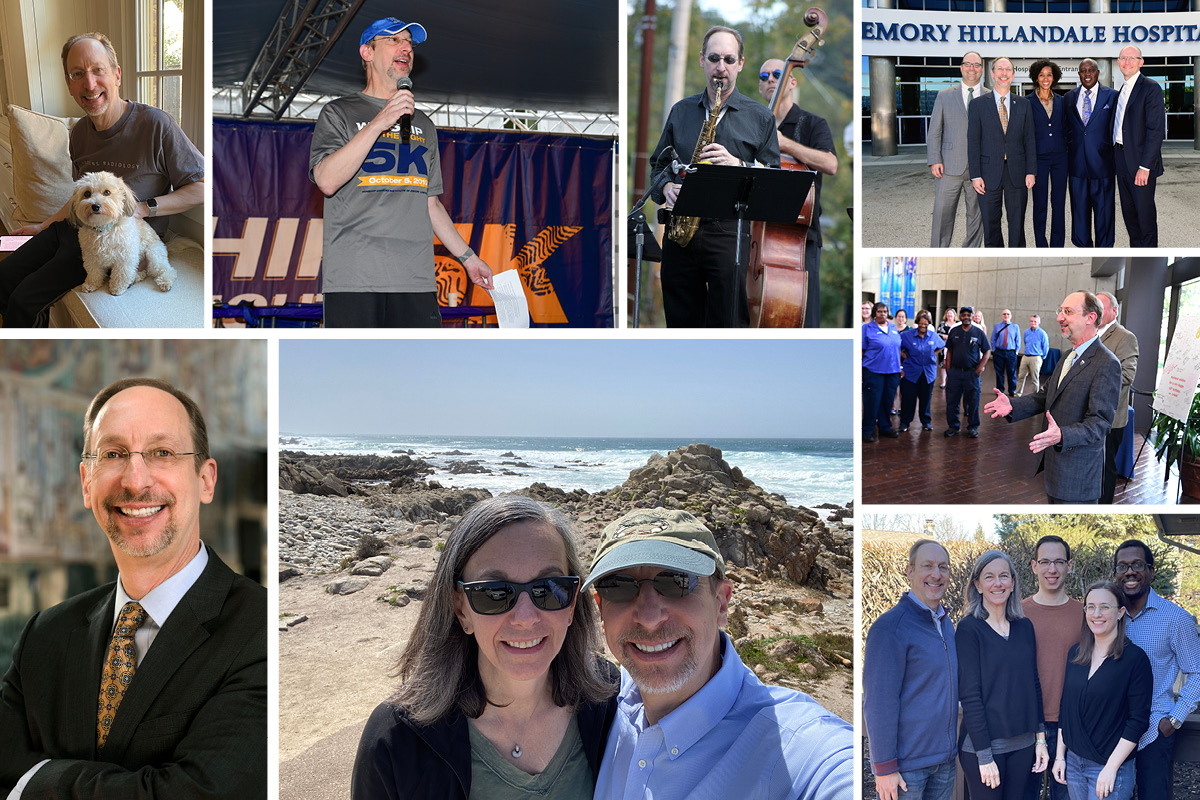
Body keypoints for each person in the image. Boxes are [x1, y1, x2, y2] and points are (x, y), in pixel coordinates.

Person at [0, 378, 266, 797]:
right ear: (87, 482)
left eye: (162, 453)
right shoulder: (43, 635)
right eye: (114, 454)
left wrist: (35, 781)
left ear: (205, 479)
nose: (136, 480)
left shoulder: (259, 630)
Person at [351, 496, 617, 798]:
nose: (526, 618)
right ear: (461, 608)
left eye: (550, 589)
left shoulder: (609, 702)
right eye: (494, 593)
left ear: (571, 605)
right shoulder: (397, 741)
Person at [586, 508, 852, 799]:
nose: (649, 617)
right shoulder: (599, 706)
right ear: (601, 609)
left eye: (677, 581)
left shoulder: (799, 750)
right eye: (619, 587)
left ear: (722, 604)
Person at [0, 32, 204, 328]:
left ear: (116, 75)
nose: (90, 83)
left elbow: (202, 189)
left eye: (98, 70)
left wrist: (144, 209)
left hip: (118, 240)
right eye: (77, 74)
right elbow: (78, 199)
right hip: (74, 229)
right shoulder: (80, 133)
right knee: (4, 278)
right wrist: (44, 225)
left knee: (24, 301)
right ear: (70, 85)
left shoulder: (156, 124)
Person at [309, 17, 494, 328]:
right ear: (367, 53)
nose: (406, 47)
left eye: (409, 43)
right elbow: (327, 181)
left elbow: (431, 204)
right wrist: (380, 121)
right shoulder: (338, 112)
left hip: (416, 279)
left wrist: (469, 260)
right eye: (393, 40)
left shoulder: (424, 124)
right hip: (356, 279)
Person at [648, 26, 780, 328]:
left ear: (741, 64)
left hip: (729, 234)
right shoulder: (681, 111)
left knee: (728, 322)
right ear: (702, 60)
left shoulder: (760, 117)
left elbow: (774, 178)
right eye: (714, 58)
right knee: (680, 323)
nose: (721, 67)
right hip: (679, 233)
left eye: (729, 60)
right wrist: (667, 186)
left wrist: (739, 165)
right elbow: (658, 165)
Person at [984, 291, 1120, 503]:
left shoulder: (1107, 363)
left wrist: (1062, 435)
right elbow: (1045, 396)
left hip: (1078, 477)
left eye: (1068, 312)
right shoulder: (1068, 356)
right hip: (1056, 471)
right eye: (1060, 311)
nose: (1059, 318)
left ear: (1090, 318)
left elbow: (1100, 423)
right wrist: (1012, 404)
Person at [864, 540, 958, 800]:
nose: (936, 575)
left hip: (945, 763)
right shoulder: (889, 628)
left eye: (943, 567)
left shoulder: (946, 624)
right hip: (907, 770)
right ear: (909, 571)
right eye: (927, 566)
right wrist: (884, 769)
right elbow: (878, 702)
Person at [1112, 539, 1200, 800]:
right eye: (1122, 566)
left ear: (1151, 570)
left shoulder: (1176, 619)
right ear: (1115, 574)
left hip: (1154, 732)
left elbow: (1196, 672)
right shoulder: (1108, 617)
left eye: (1137, 564)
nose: (1129, 572)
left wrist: (1174, 719)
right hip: (1112, 731)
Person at [956, 550, 1047, 800]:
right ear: (978, 584)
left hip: (1024, 745)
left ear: (1013, 582)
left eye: (1004, 576)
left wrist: (1041, 740)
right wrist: (985, 757)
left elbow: (1033, 685)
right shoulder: (968, 630)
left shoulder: (1024, 627)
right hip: (983, 750)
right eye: (989, 577)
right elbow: (970, 696)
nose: (998, 583)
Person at [1052, 581, 1151, 800]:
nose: (1097, 613)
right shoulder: (1075, 654)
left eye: (1105, 607)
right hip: (1074, 763)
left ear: (1120, 612)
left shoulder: (1135, 660)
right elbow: (1066, 707)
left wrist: (1111, 768)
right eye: (1091, 606)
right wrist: (1060, 756)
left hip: (1109, 766)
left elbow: (1138, 721)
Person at [757, 58, 837, 328]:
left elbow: (830, 164)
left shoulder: (813, 123)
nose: (770, 79)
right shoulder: (753, 125)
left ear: (792, 81)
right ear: (759, 86)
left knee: (803, 318)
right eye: (764, 75)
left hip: (799, 240)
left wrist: (786, 145)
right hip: (757, 238)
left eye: (778, 74)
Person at [1022, 535, 1083, 800]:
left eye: (1059, 562)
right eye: (1045, 562)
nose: (1052, 569)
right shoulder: (1017, 613)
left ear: (1070, 565)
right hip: (1025, 723)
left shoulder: (1086, 614)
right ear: (1034, 566)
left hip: (1071, 724)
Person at [968, 57, 1036, 248]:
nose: (1004, 73)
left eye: (1008, 70)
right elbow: (973, 142)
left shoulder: (1023, 104)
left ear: (1013, 75)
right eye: (1000, 69)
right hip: (988, 174)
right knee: (991, 225)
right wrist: (975, 175)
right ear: (992, 73)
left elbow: (1029, 140)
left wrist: (1031, 171)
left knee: (1017, 225)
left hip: (1018, 173)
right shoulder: (978, 105)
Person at [928, 52, 989, 248]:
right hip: (948, 165)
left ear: (982, 69)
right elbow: (934, 131)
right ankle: (938, 252)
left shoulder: (990, 96)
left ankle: (971, 251)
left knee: (976, 217)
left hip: (980, 168)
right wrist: (934, 159)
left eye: (976, 65)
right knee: (942, 215)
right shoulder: (944, 95)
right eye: (968, 64)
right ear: (961, 68)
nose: (972, 68)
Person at [1112, 46, 1164, 248]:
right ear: (1118, 62)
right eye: (1123, 58)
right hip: (1121, 160)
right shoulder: (1122, 90)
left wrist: (1145, 167)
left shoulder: (1150, 88)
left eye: (1132, 58)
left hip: (1140, 164)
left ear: (1141, 62)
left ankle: (1148, 254)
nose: (1127, 62)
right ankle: (1136, 251)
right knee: (1130, 216)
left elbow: (1155, 131)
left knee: (1144, 217)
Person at [1064, 58, 1118, 247]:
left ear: (1097, 73)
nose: (1087, 74)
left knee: (1104, 215)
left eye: (1091, 70)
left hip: (1103, 167)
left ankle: (1104, 250)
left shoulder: (1112, 96)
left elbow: (1118, 128)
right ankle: (1082, 249)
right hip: (1077, 167)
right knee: (1079, 214)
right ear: (1078, 74)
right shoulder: (1069, 98)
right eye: (1083, 71)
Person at [1096, 292, 1138, 505]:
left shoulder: (1125, 337)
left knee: (1105, 469)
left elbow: (1127, 375)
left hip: (1109, 418)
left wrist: (1093, 377)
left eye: (1102, 307)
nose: (1098, 311)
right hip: (1085, 416)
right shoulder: (1088, 333)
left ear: (1115, 310)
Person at [1027, 60, 1067, 248]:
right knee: (1040, 204)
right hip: (1039, 159)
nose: (1045, 78)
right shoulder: (1027, 102)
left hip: (1060, 158)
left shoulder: (1062, 101)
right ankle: (1041, 244)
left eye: (1049, 75)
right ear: (1036, 77)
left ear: (1054, 77)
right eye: (1042, 74)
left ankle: (1057, 244)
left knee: (1059, 204)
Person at [945, 305, 991, 439]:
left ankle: (972, 427)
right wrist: (948, 369)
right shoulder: (954, 331)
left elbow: (987, 351)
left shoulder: (978, 332)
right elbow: (949, 350)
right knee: (952, 401)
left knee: (973, 401)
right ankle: (953, 426)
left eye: (968, 315)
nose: (966, 317)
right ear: (960, 317)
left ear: (972, 316)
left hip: (972, 374)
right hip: (955, 373)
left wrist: (979, 368)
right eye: (963, 315)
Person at [899, 310, 945, 433]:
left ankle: (926, 422)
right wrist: (902, 354)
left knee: (926, 399)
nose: (923, 326)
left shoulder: (933, 336)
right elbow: (896, 344)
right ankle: (904, 422)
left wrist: (934, 354)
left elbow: (942, 345)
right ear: (917, 323)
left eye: (926, 324)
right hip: (911, 372)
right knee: (909, 399)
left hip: (928, 373)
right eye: (921, 324)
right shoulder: (907, 335)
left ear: (929, 324)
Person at [863, 301, 902, 443]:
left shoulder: (893, 328)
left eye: (885, 311)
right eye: (879, 311)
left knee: (887, 400)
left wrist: (901, 367)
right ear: (874, 313)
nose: (882, 314)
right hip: (874, 371)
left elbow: (898, 348)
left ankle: (885, 427)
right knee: (872, 401)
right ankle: (867, 430)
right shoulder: (867, 328)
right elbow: (861, 351)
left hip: (892, 371)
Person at [991, 309, 1022, 398]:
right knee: (999, 372)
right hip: (999, 352)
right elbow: (993, 339)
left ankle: (1012, 391)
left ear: (1011, 316)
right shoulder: (997, 326)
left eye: (1008, 314)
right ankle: (1000, 390)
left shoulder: (1015, 327)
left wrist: (1015, 352)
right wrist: (994, 350)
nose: (1006, 315)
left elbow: (1018, 341)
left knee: (1011, 372)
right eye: (1004, 314)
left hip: (1011, 353)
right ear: (1002, 315)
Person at [1016, 315, 1049, 397]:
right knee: (1021, 377)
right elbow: (1025, 342)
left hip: (1036, 358)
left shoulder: (1042, 333)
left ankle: (1035, 396)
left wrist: (1041, 358)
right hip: (1025, 357)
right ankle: (1018, 394)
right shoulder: (1027, 332)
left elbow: (1045, 347)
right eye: (1031, 321)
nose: (1033, 323)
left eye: (1035, 321)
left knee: (1035, 379)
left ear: (1039, 322)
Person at [937, 307, 957, 388]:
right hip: (943, 347)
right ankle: (943, 382)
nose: (949, 315)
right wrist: (943, 336)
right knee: (943, 365)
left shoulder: (958, 324)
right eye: (948, 313)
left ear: (954, 315)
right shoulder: (942, 324)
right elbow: (937, 334)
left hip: (955, 347)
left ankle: (952, 381)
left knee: (954, 364)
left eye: (951, 313)